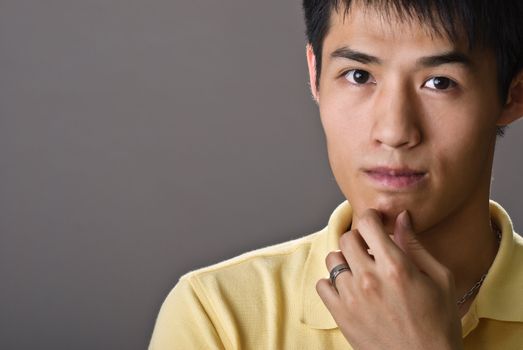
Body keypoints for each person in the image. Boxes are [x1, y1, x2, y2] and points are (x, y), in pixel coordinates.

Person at [149, 0, 523, 348]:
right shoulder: (217, 316)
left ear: (513, 93)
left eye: (439, 82)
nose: (394, 131)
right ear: (315, 74)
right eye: (359, 75)